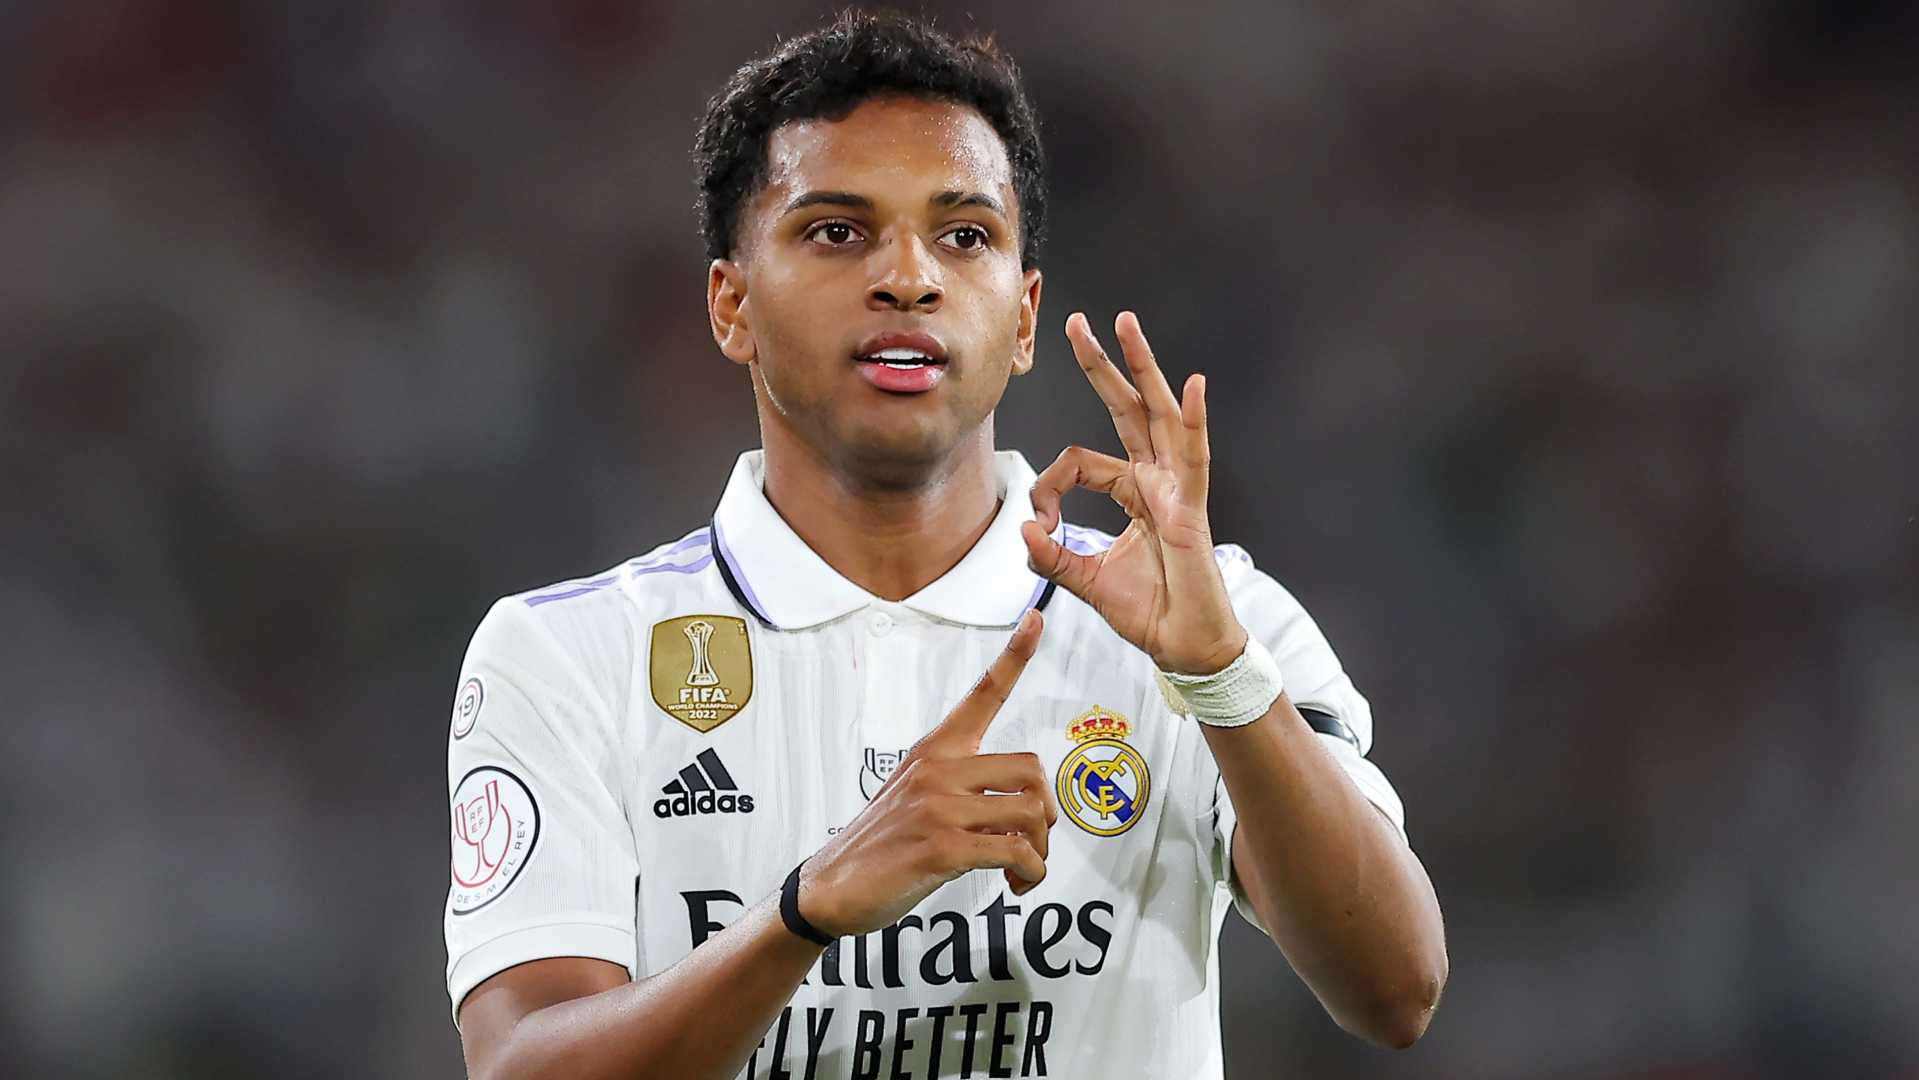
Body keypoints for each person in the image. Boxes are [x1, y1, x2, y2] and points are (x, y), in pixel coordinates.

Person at [443, 10, 1446, 1078]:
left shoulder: (1206, 621)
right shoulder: (568, 657)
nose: (909, 278)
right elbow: (520, 1065)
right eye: (837, 232)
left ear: (1022, 318)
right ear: (731, 306)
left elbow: (1394, 990)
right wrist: (807, 910)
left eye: (964, 235)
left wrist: (1220, 678)